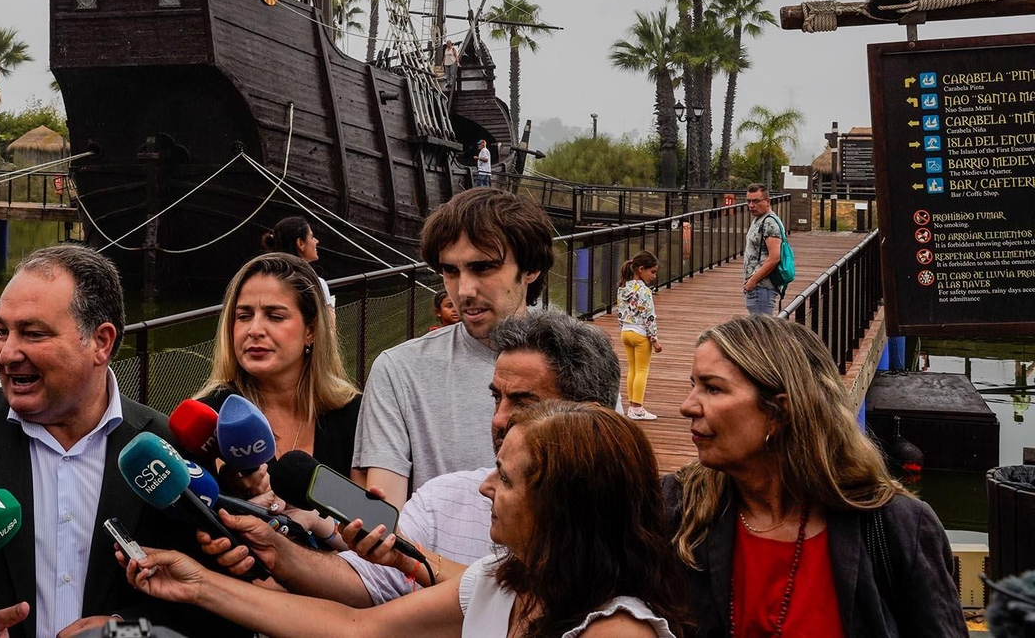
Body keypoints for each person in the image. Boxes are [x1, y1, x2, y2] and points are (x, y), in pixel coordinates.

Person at [0, 244, 241, 638]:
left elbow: (219, 604)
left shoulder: (165, 451)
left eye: (33, 333)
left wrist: (128, 630)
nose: (7, 354)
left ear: (101, 342)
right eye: (2, 331)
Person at [121, 402, 686, 638]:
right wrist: (198, 585)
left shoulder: (615, 630)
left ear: (568, 506)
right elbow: (355, 629)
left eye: (507, 479)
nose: (485, 486)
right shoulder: (498, 580)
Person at [204, 308, 622, 608]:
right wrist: (275, 549)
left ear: (585, 412)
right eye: (497, 398)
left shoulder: (628, 537)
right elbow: (360, 597)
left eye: (523, 402)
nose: (499, 419)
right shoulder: (444, 498)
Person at [668, 314, 966, 637]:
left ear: (778, 413)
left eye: (712, 388)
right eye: (693, 385)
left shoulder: (897, 529)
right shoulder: (676, 508)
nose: (687, 406)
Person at [353, 187, 554, 507]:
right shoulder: (398, 371)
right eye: (450, 271)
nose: (463, 290)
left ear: (530, 268)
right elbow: (385, 515)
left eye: (483, 267)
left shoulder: (577, 361)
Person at [197, 253, 360, 474]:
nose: (254, 330)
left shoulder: (353, 414)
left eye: (275, 316)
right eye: (244, 316)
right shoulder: (207, 421)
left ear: (310, 331)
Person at [617, 250, 664, 421]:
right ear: (641, 269)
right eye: (652, 272)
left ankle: (631, 406)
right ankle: (636, 408)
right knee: (642, 370)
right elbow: (649, 316)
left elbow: (620, 311)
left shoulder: (623, 287)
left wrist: (623, 326)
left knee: (632, 370)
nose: (654, 276)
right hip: (640, 334)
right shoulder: (644, 291)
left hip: (626, 332)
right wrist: (654, 339)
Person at [261, 216, 331, 306]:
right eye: (312, 237)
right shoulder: (315, 285)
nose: (316, 241)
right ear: (300, 243)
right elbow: (329, 319)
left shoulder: (265, 279)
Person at [741, 184, 784, 314]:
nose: (751, 205)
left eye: (756, 201)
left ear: (767, 202)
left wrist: (752, 281)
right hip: (757, 287)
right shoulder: (759, 219)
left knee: (761, 330)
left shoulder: (769, 223)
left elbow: (775, 257)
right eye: (748, 201)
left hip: (762, 287)